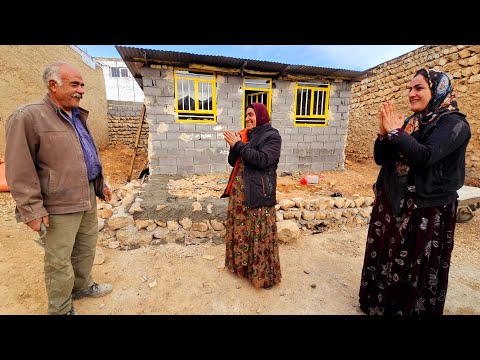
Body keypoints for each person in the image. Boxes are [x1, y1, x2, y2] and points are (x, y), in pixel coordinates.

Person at [359, 68, 471, 315]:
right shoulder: (411, 123)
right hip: (393, 202)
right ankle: (380, 305)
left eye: (418, 88)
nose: (411, 93)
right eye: (409, 88)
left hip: (426, 208)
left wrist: (396, 133)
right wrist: (383, 133)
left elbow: (426, 156)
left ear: (438, 90)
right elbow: (381, 159)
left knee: (413, 263)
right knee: (389, 256)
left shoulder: (454, 125)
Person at [5, 62, 113, 315]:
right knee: (59, 258)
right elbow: (19, 167)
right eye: (75, 84)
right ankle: (61, 309)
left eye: (82, 85)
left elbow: (86, 155)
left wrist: (100, 184)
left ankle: (82, 286)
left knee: (86, 246)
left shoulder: (77, 115)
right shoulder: (28, 116)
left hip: (85, 193)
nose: (81, 90)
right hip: (56, 202)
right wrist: (31, 209)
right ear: (53, 85)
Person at [221, 102, 282, 289]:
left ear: (261, 115)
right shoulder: (247, 135)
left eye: (251, 114)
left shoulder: (272, 136)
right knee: (242, 232)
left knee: (259, 234)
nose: (248, 118)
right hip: (240, 193)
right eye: (246, 115)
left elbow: (262, 160)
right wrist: (234, 146)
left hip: (259, 194)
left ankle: (263, 276)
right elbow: (233, 162)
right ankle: (243, 270)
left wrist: (239, 144)